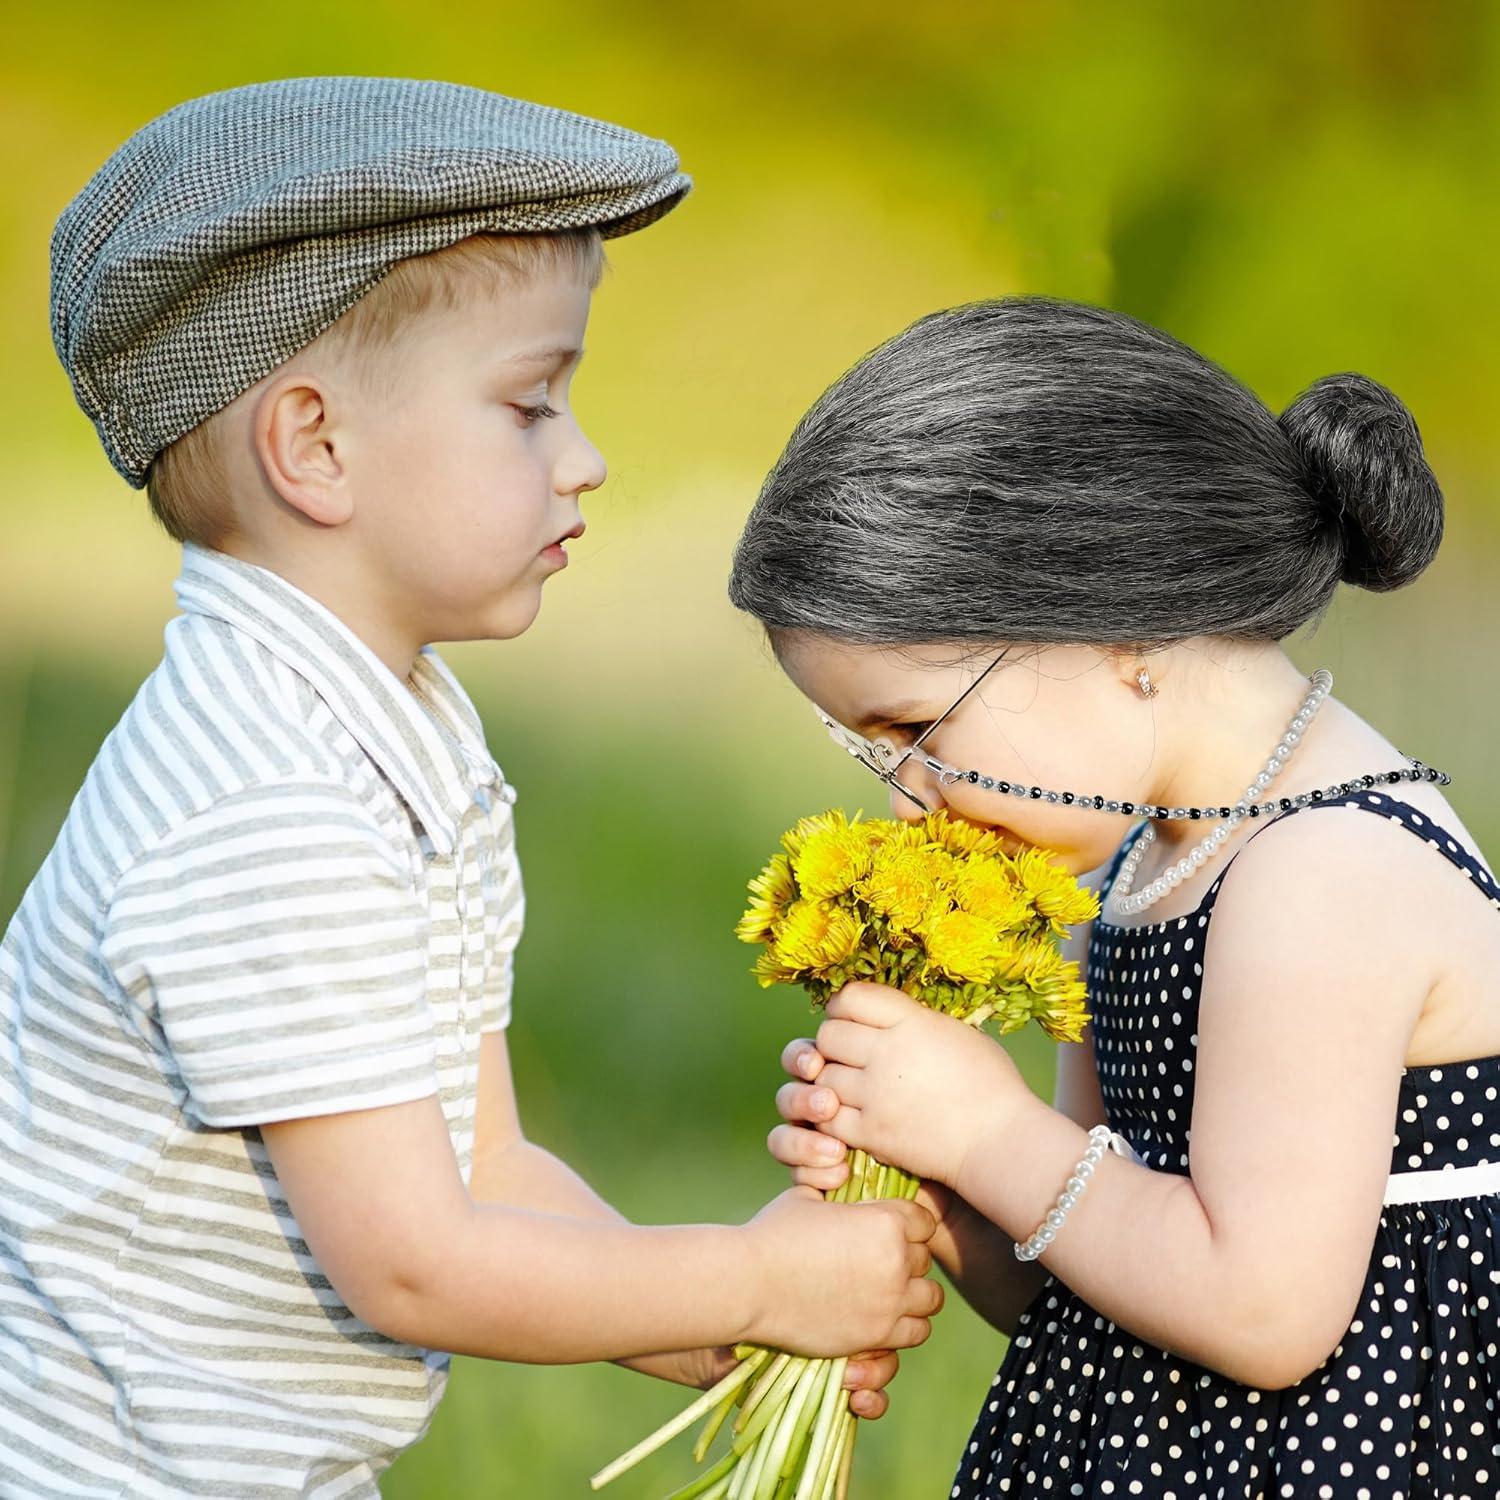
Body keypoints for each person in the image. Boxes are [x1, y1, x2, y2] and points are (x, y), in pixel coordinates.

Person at [0, 76, 939, 1498]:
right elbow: (415, 1266)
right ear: (314, 446)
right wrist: (746, 1278)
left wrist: (721, 1331)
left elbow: (483, 1169)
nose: (588, 458)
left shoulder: (388, 734)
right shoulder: (266, 805)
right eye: (529, 406)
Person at [735, 296, 1500, 1498]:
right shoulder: (1149, 861)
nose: (908, 800)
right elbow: (1090, 1280)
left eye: (917, 731)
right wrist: (943, 1185)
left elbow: (1259, 1309)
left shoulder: (1323, 874)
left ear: (1111, 623)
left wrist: (992, 1133)